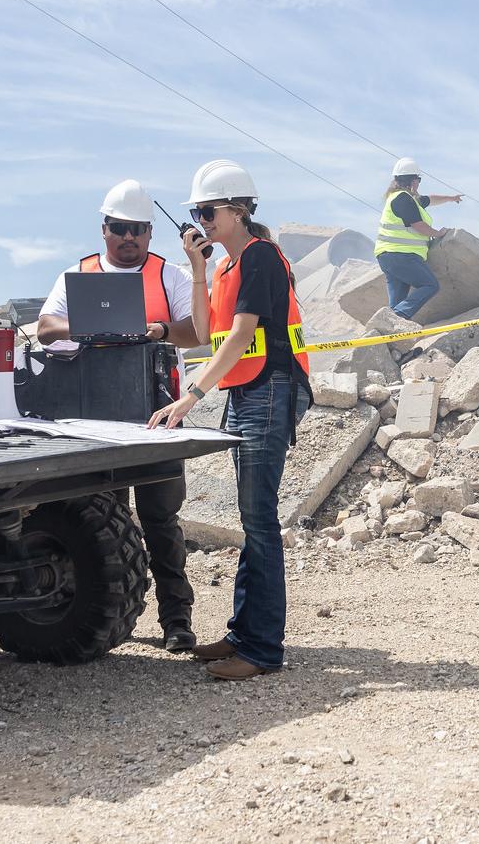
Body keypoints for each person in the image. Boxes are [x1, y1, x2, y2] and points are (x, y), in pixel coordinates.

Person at [147, 159, 310, 682]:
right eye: (197, 212)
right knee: (252, 520)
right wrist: (197, 270)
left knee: (259, 521)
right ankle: (244, 635)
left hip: (269, 388)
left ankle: (262, 650)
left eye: (207, 211)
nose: (200, 220)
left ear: (237, 210)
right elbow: (201, 332)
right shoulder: (226, 267)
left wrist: (190, 397)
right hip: (248, 391)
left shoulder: (260, 256)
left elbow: (240, 336)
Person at [38, 179, 203, 653]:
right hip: (95, 422)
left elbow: (196, 331)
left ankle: (176, 620)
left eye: (138, 229)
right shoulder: (78, 273)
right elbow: (47, 328)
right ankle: (102, 616)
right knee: (96, 521)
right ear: (104, 228)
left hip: (158, 417)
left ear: (150, 232)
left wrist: (158, 329)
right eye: (119, 228)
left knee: (160, 520)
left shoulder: (170, 275)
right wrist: (96, 326)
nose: (128, 237)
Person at [373, 157, 462, 320]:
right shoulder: (403, 199)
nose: (419, 184)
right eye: (419, 180)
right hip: (402, 256)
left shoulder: (404, 198)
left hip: (388, 257)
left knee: (397, 302)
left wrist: (451, 198)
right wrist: (438, 233)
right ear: (413, 181)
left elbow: (431, 199)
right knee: (430, 285)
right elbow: (418, 225)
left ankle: (390, 326)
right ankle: (395, 317)